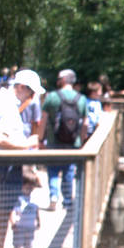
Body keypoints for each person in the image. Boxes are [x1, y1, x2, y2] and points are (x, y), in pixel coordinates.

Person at [0, 68, 43, 248]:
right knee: (2, 211)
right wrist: (29, 143)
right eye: (31, 93)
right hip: (5, 166)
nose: (31, 98)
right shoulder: (8, 105)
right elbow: (1, 139)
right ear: (22, 87)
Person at [41, 68, 85, 212]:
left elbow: (43, 120)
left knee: (53, 170)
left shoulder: (52, 97)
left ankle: (54, 196)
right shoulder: (82, 99)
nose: (57, 80)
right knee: (68, 171)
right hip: (73, 143)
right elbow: (85, 124)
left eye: (59, 78)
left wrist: (40, 139)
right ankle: (67, 201)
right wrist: (82, 141)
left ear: (64, 80)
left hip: (54, 141)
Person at [9, 175, 41, 248]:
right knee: (17, 245)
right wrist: (13, 223)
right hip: (19, 226)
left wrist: (38, 222)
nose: (30, 189)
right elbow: (12, 211)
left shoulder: (34, 198)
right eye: (27, 186)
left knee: (29, 246)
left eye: (32, 187)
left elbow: (37, 210)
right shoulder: (18, 199)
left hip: (30, 227)